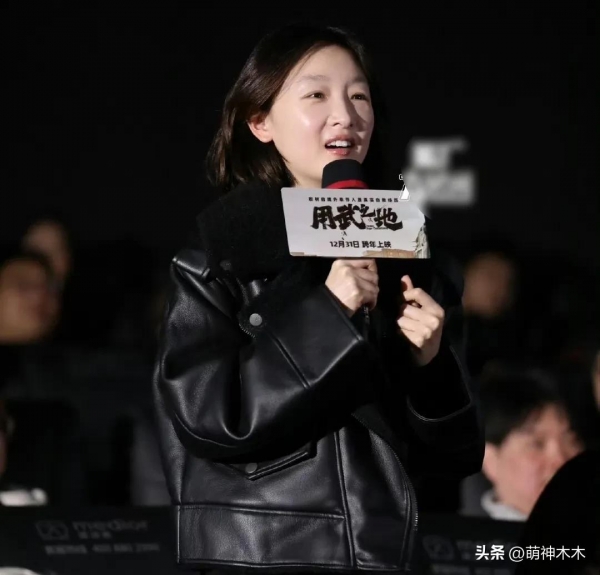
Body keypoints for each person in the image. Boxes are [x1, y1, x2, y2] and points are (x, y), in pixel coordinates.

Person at [153, 23, 483, 573]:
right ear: (260, 121)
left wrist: (431, 369)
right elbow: (206, 416)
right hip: (267, 555)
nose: (344, 116)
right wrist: (326, 315)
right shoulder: (223, 253)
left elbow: (456, 458)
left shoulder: (410, 252)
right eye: (316, 95)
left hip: (388, 554)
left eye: (359, 97)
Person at [472, 366, 583, 521]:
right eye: (537, 444)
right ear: (490, 460)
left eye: (571, 441)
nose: (561, 460)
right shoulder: (463, 533)